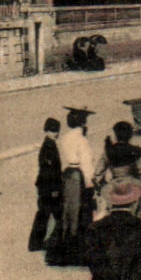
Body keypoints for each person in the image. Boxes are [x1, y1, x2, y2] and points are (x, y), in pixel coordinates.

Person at [47, 106, 95, 266]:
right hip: (78, 176)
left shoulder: (65, 138)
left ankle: (62, 246)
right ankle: (78, 251)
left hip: (67, 174)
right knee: (81, 211)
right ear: (82, 123)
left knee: (68, 211)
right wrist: (90, 183)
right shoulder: (82, 140)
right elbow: (87, 164)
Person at [27, 117, 64, 253]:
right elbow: (50, 170)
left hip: (44, 186)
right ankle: (53, 242)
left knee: (45, 214)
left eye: (57, 131)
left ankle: (35, 243)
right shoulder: (49, 146)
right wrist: (54, 188)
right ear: (46, 131)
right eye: (53, 130)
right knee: (52, 214)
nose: (56, 133)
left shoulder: (48, 144)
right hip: (49, 187)